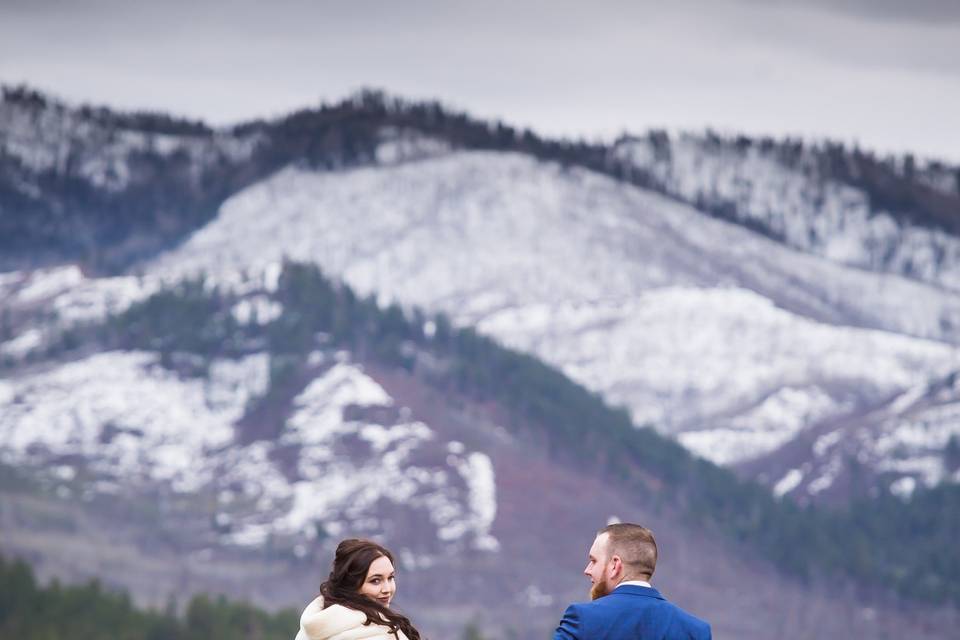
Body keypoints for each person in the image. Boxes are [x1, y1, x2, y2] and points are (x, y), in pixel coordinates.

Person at [553, 523, 711, 640]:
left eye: (594, 561)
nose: (587, 570)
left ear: (615, 565)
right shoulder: (696, 631)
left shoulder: (583, 618)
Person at [295, 538, 422, 640]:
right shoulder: (379, 635)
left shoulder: (310, 630)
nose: (387, 589)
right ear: (351, 584)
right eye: (375, 581)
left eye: (390, 578)